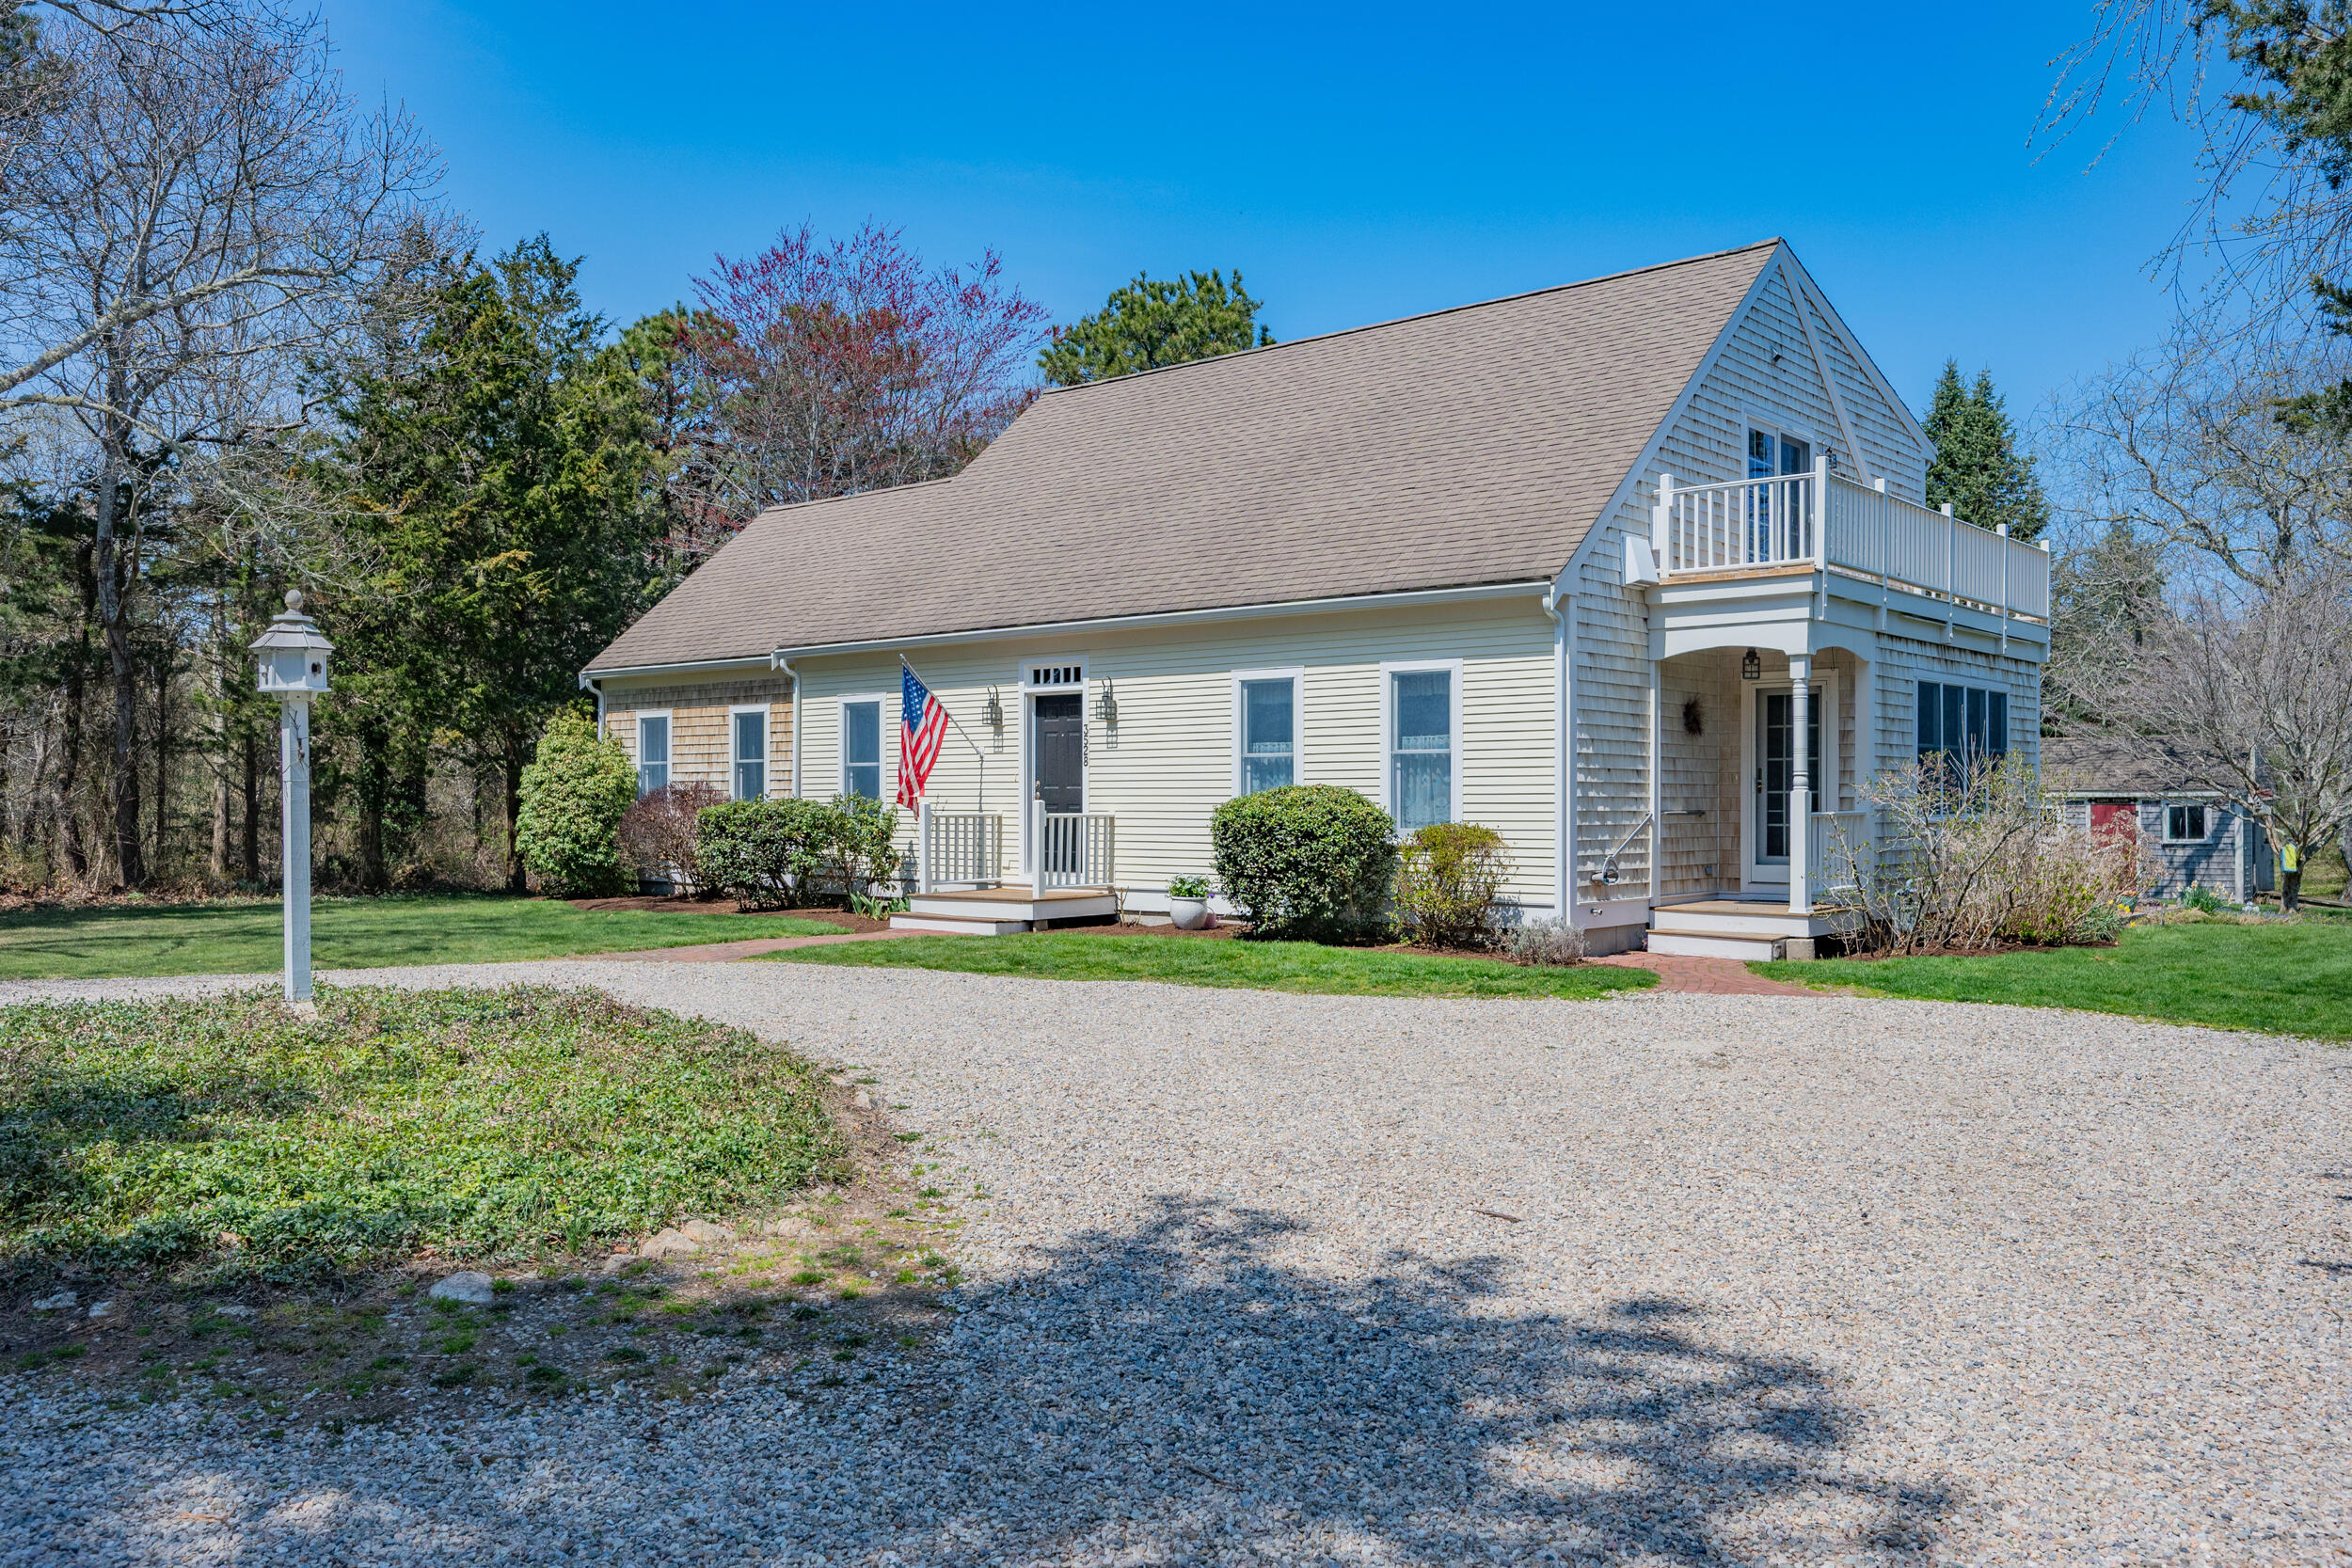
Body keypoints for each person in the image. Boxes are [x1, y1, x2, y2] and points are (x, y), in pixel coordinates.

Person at [2280, 837, 2301, 913]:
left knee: (2290, 886)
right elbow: (2297, 856)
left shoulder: (2284, 848)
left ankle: (2291, 909)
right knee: (2288, 887)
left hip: (2287, 867)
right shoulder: (2293, 848)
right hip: (2292, 867)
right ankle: (2289, 909)